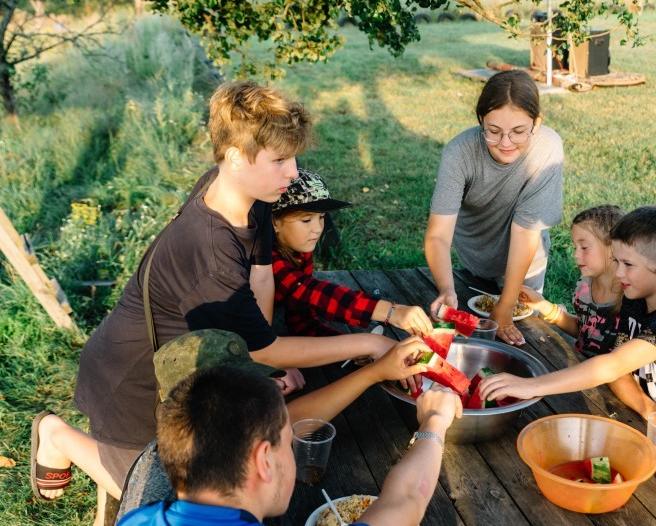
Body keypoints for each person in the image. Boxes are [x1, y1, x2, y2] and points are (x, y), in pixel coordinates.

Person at [30, 82, 399, 514]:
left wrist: (261, 368)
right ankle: (57, 435)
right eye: (280, 160)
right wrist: (372, 343)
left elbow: (262, 279)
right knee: (156, 496)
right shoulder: (211, 255)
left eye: (293, 157)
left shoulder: (250, 194)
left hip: (189, 360)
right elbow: (266, 343)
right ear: (237, 156)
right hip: (133, 381)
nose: (293, 172)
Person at [478, 206, 656, 482]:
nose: (618, 274)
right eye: (616, 262)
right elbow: (619, 372)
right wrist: (651, 410)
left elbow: (611, 366)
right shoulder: (634, 300)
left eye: (627, 265)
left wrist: (531, 386)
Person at [116, 328, 433, 520]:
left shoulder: (147, 492)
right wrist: (434, 424)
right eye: (284, 441)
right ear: (263, 460)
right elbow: (406, 502)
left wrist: (375, 373)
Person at [425, 69, 563, 346]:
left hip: (528, 256)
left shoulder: (548, 148)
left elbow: (526, 232)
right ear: (480, 121)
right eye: (494, 131)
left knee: (528, 334)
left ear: (537, 122)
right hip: (475, 251)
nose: (505, 143)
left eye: (518, 132)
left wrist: (507, 304)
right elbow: (438, 235)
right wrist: (446, 288)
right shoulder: (458, 153)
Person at [272, 168, 433, 338]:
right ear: (274, 221)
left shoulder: (298, 249)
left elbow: (301, 315)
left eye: (321, 217)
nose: (318, 229)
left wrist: (342, 345)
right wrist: (390, 311)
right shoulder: (266, 259)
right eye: (306, 220)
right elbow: (309, 292)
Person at [517, 205, 625, 357]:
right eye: (575, 247)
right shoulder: (585, 286)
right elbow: (583, 331)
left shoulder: (630, 297)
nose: (576, 255)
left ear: (614, 247)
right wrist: (544, 306)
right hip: (578, 363)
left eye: (584, 247)